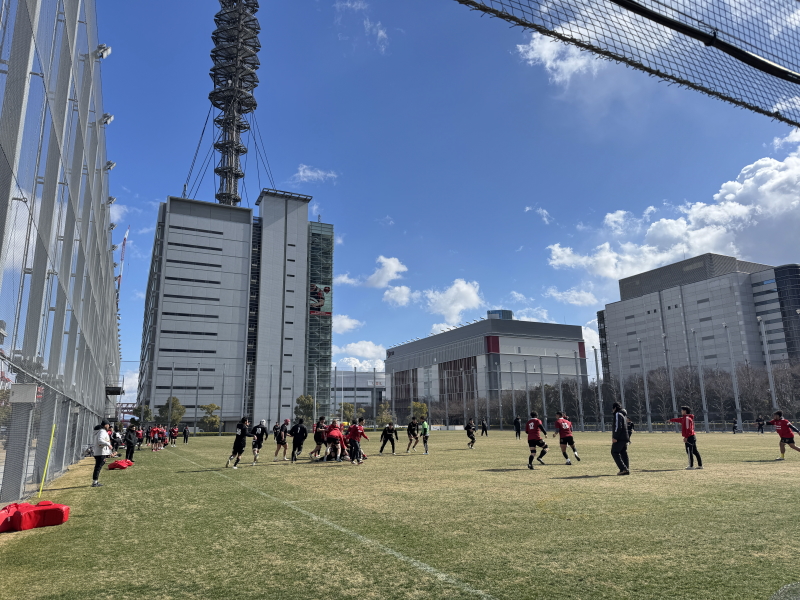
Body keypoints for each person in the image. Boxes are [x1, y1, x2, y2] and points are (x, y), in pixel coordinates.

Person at [92, 419, 113, 487]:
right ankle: (95, 482)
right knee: (98, 467)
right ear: (105, 425)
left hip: (100, 452)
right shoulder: (102, 431)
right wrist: (108, 444)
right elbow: (100, 440)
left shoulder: (101, 431)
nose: (109, 426)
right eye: (108, 425)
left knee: (99, 465)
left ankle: (95, 481)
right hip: (100, 452)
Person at [611, 403, 630, 475]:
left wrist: (615, 437)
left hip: (620, 438)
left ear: (615, 408)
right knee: (623, 453)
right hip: (625, 437)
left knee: (614, 452)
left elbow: (618, 426)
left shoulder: (617, 414)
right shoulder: (623, 415)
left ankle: (623, 469)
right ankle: (626, 469)